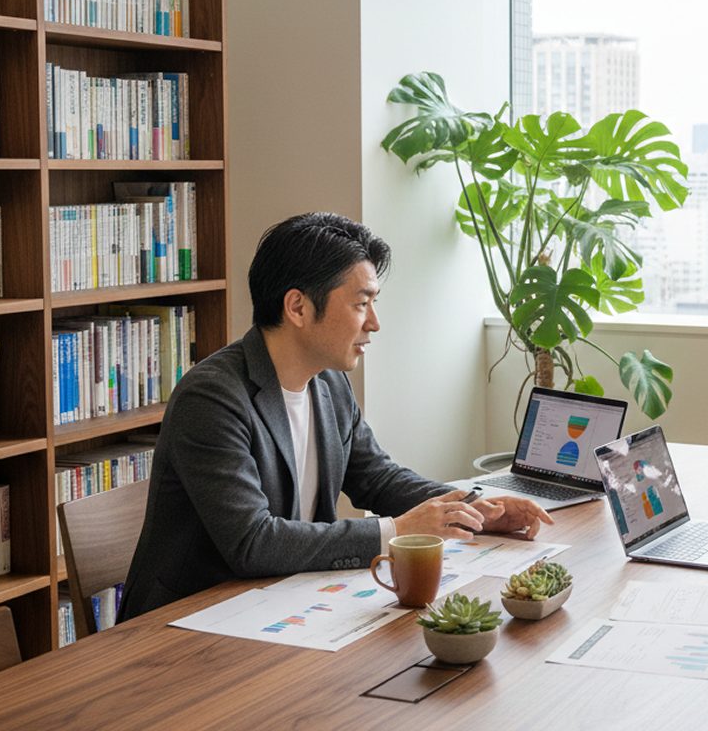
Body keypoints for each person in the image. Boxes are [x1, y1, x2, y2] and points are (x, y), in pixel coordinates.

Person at [121, 212, 552, 620]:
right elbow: (252, 542)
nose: (375, 324)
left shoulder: (328, 383)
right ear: (298, 308)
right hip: (190, 623)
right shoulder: (212, 396)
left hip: (281, 602)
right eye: (362, 303)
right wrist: (396, 530)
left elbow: (376, 478)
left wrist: (477, 509)